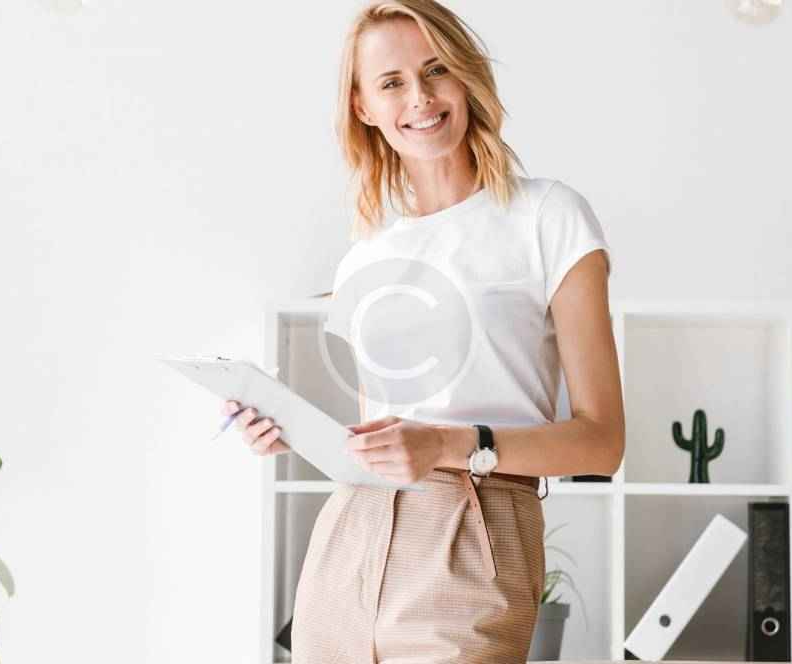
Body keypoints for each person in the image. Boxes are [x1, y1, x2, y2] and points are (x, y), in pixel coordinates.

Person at [222, 1, 625, 661]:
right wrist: (289, 429)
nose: (420, 97)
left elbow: (602, 443)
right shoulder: (365, 258)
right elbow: (377, 436)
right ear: (363, 106)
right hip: (350, 543)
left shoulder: (548, 217)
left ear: (466, 76)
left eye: (436, 70)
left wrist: (446, 443)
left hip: (476, 533)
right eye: (392, 82)